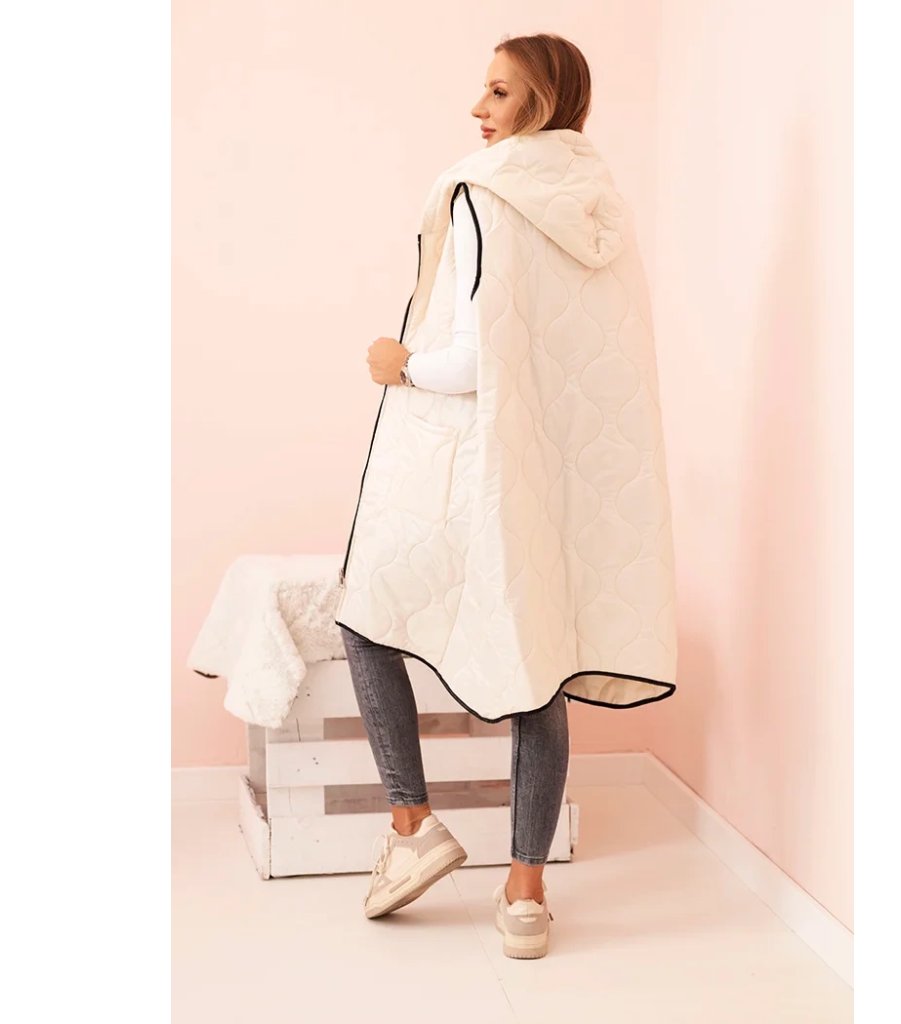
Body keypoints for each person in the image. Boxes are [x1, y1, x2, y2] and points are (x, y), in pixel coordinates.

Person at [338, 32, 678, 961]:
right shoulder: (599, 201)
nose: (478, 108)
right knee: (541, 656)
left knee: (364, 614)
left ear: (544, 101)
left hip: (469, 464)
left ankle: (412, 827)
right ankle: (526, 896)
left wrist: (400, 363)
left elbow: (474, 358)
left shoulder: (486, 192)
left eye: (499, 91)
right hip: (558, 469)